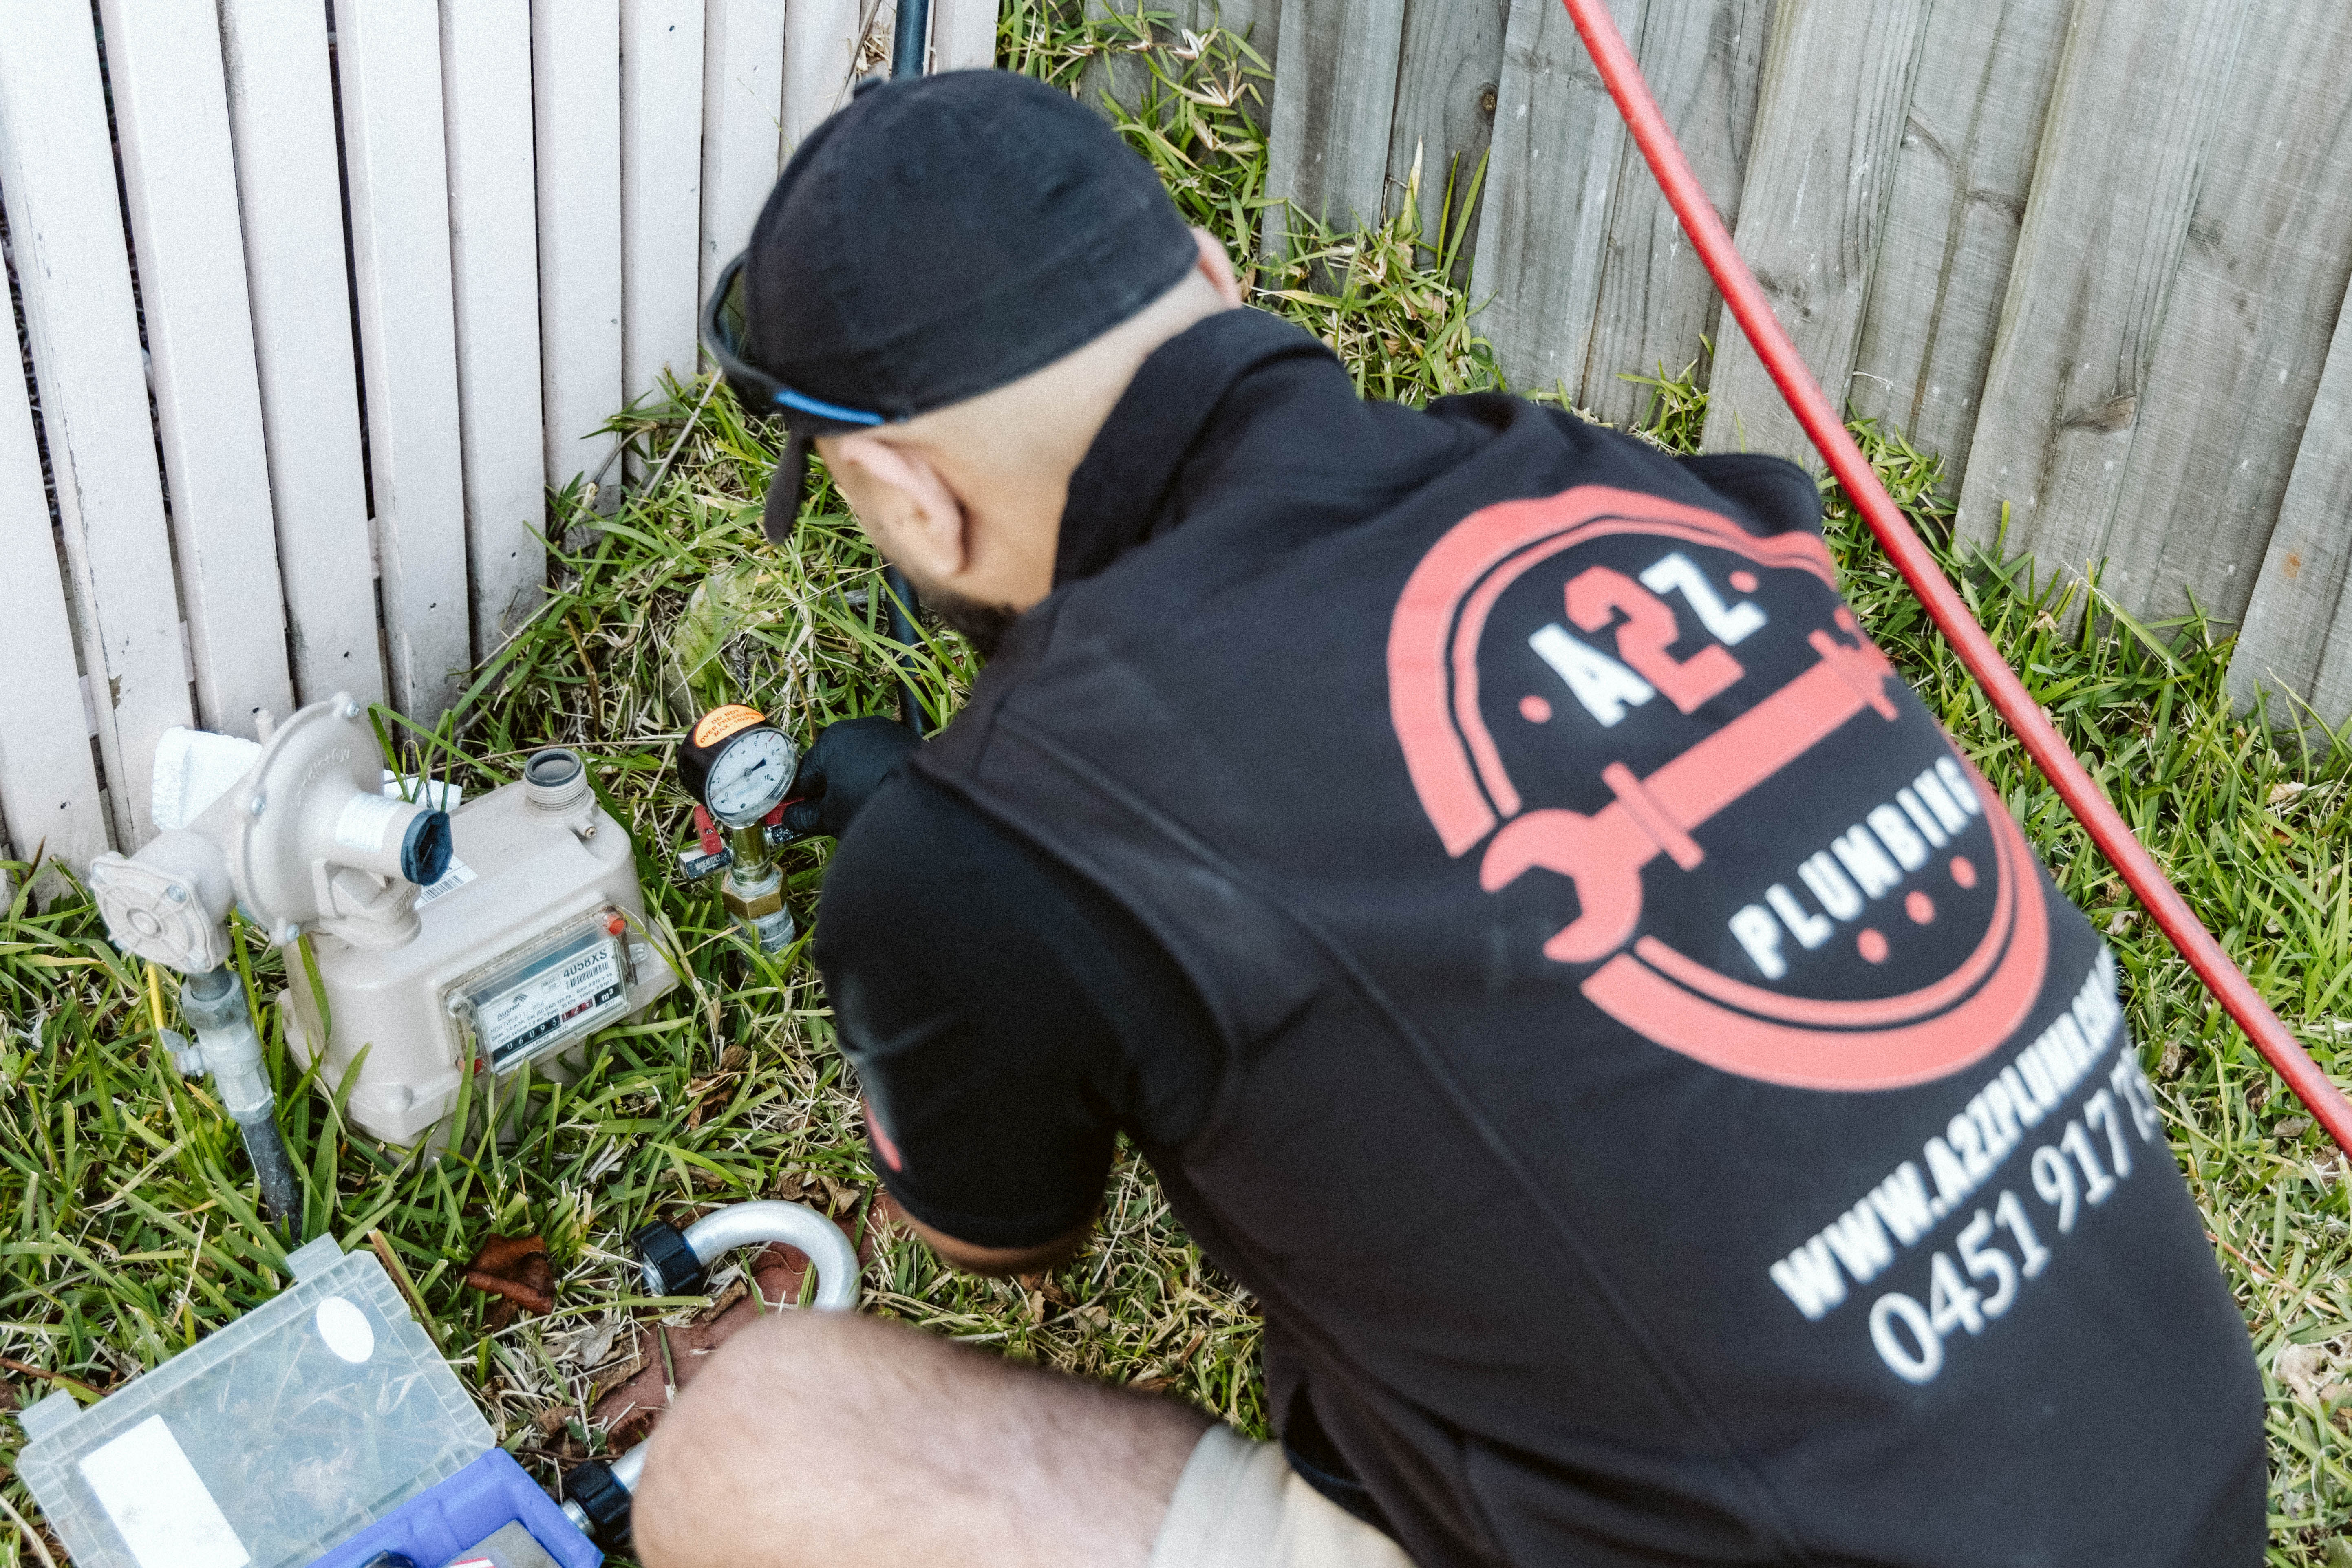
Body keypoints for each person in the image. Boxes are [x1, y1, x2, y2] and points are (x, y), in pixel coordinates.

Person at [633, 68, 2264, 1568]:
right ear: (1213, 274)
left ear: (909, 498)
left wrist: (940, 894)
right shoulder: (1631, 490)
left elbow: (999, 1239)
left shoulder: (998, 838)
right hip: (2186, 1488)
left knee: (754, 1442)